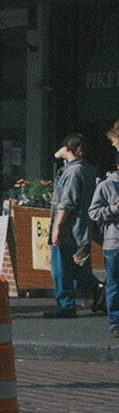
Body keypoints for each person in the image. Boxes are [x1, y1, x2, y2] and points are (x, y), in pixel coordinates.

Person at [45, 134, 101, 318]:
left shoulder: (72, 172)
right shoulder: (88, 170)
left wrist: (57, 228)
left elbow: (66, 203)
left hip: (69, 228)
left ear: (69, 148)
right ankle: (95, 289)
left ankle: (66, 304)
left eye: (64, 146)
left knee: (61, 267)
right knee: (75, 266)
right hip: (82, 227)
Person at [91, 122, 119, 339]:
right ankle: (115, 322)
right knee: (114, 282)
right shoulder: (107, 186)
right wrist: (114, 209)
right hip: (115, 241)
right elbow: (94, 212)